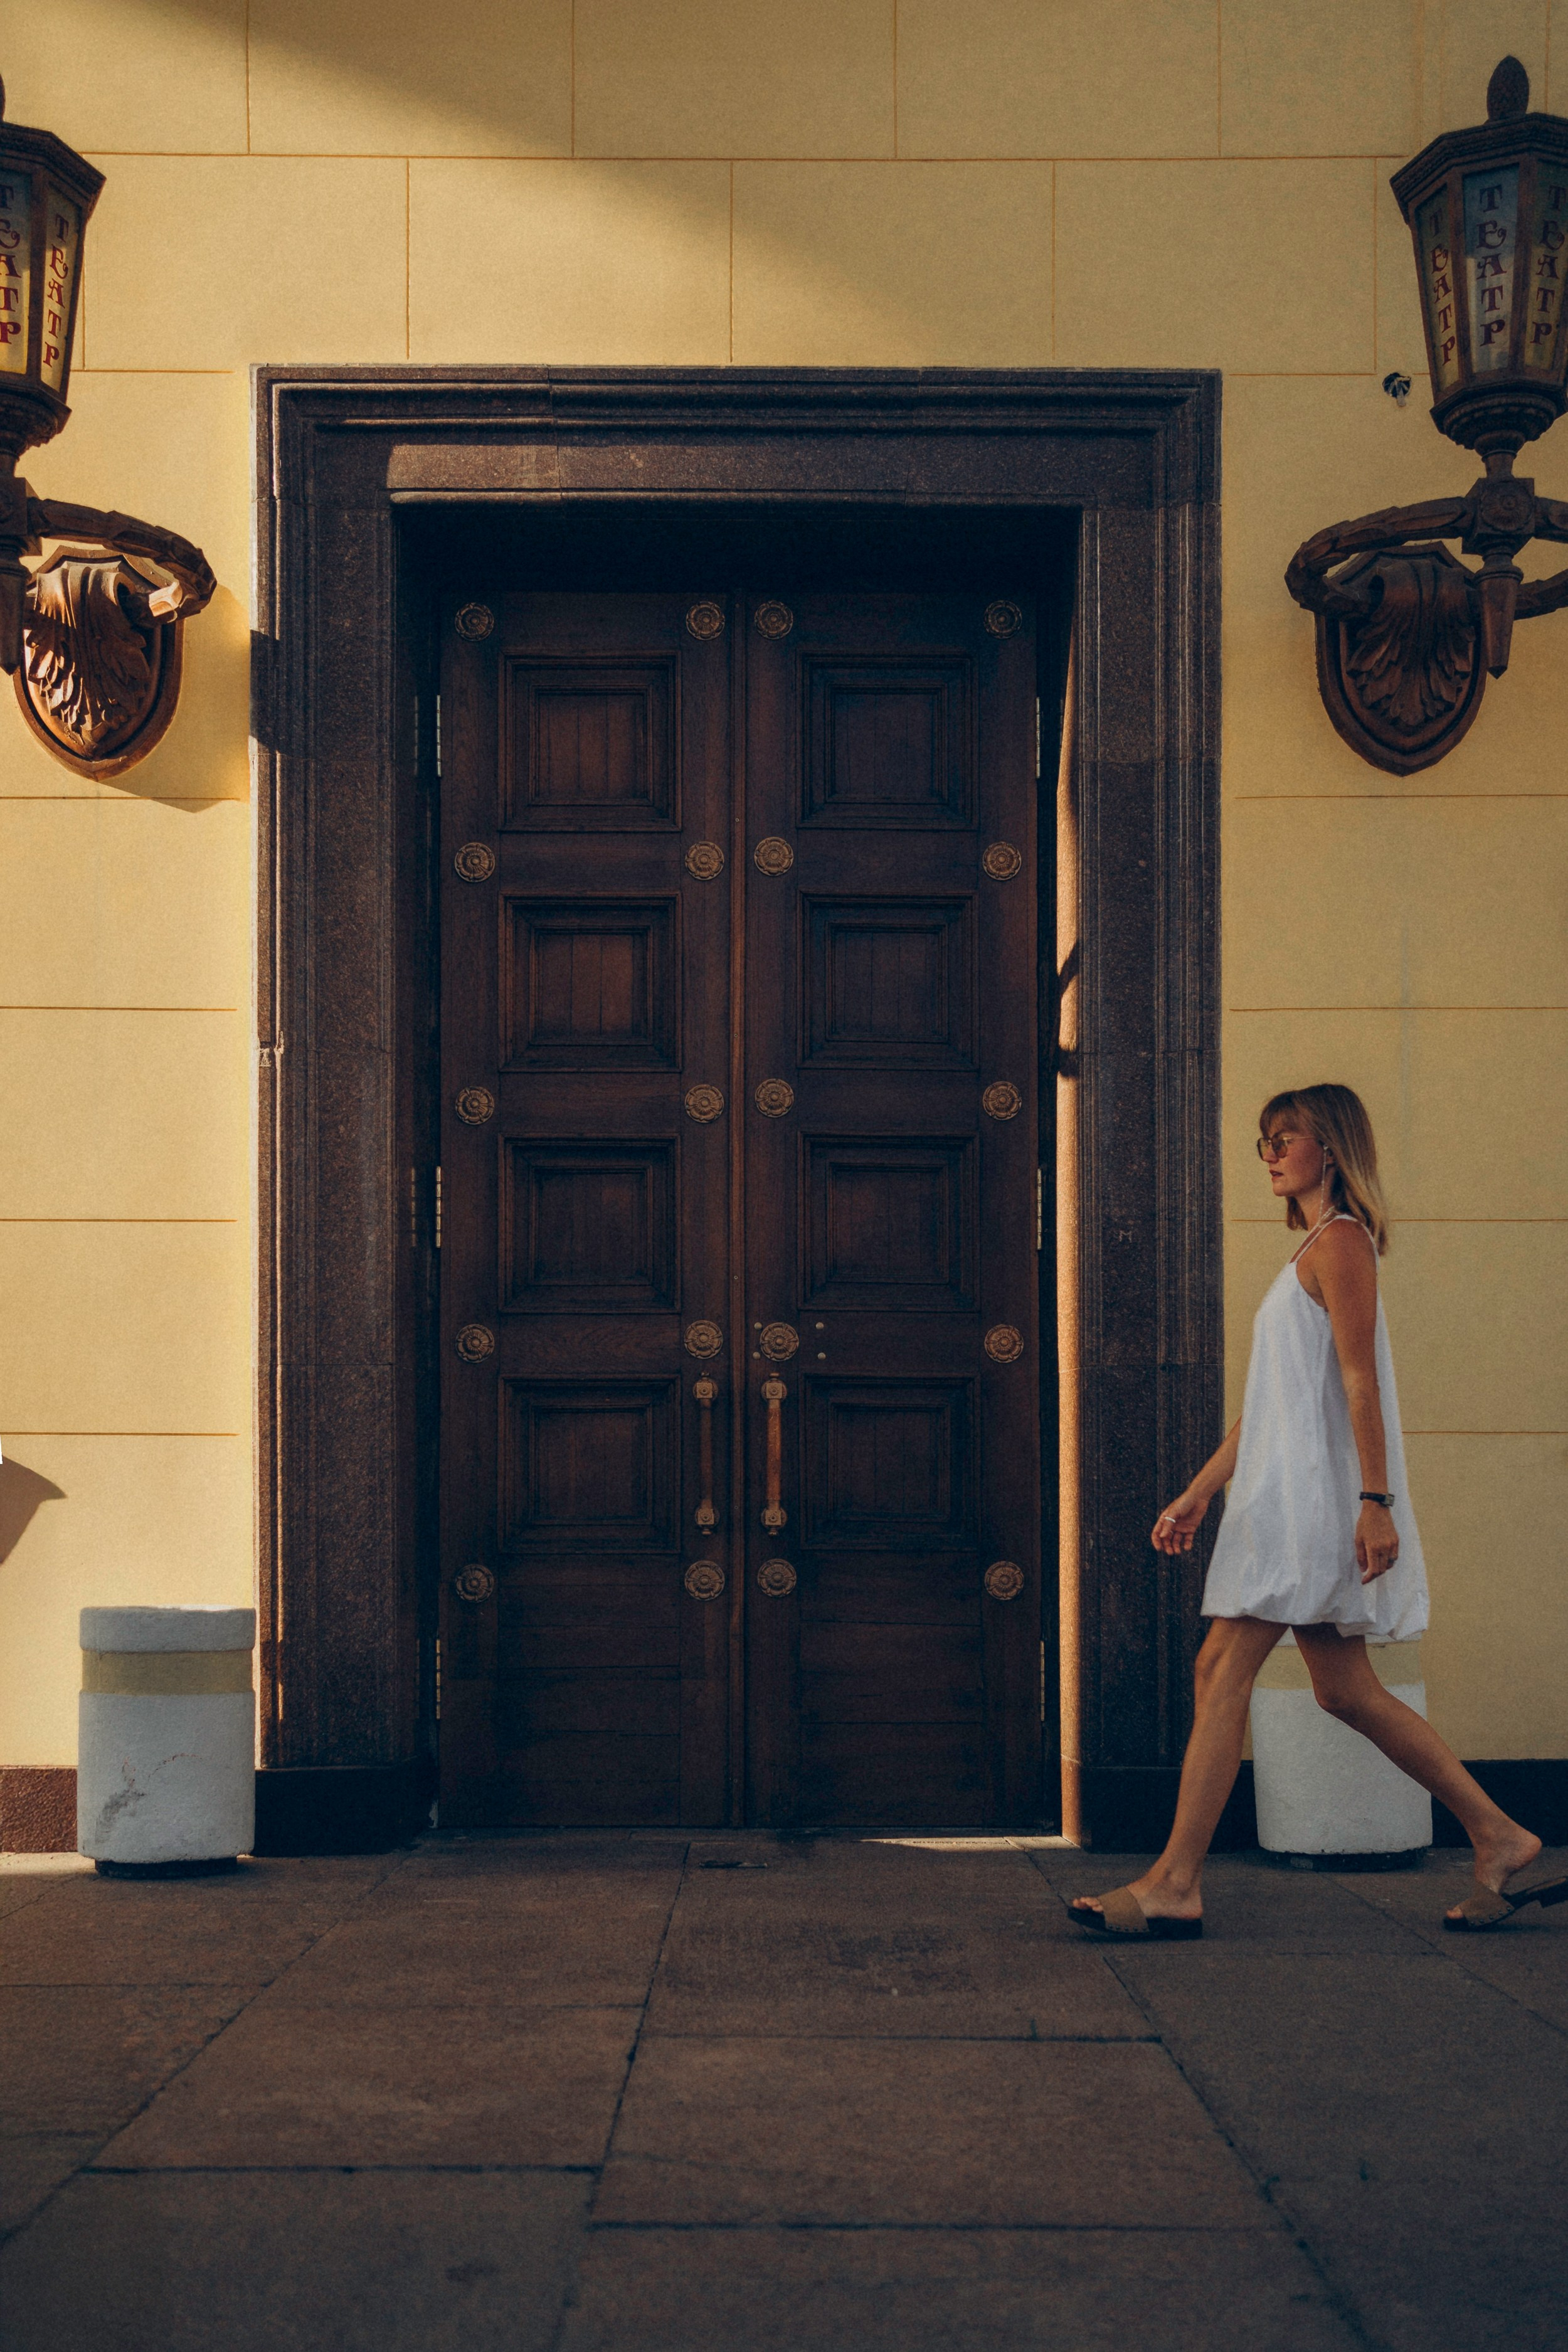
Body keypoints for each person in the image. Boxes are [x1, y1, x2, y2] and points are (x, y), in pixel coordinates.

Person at [1070, 1082, 1565, 1940]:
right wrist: (1199, 1488)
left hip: (1309, 1505)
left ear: (1328, 1148)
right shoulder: (1312, 1253)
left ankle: (1175, 1882)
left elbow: (1359, 1382)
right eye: (1262, 1141)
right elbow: (1274, 1406)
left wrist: (1377, 1502)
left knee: (1221, 1667)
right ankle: (1501, 1834)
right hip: (1285, 1495)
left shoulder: (1341, 1245)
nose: (1269, 1153)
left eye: (1285, 1138)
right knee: (1345, 1691)